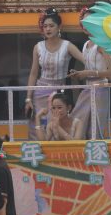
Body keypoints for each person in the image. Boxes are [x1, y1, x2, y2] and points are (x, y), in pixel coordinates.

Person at [25, 8, 85, 140]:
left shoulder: (67, 45)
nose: (48, 29)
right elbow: (34, 73)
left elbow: (86, 60)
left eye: (51, 26)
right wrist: (28, 98)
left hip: (60, 92)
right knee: (39, 123)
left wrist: (83, 73)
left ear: (59, 27)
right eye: (45, 26)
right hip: (40, 91)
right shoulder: (38, 47)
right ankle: (37, 156)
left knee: (58, 123)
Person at [69, 10, 111, 138]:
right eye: (83, 22)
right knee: (78, 121)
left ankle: (97, 153)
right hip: (87, 89)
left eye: (90, 22)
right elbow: (87, 69)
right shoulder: (86, 45)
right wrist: (79, 74)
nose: (85, 25)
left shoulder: (101, 44)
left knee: (96, 128)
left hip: (100, 89)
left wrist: (89, 73)